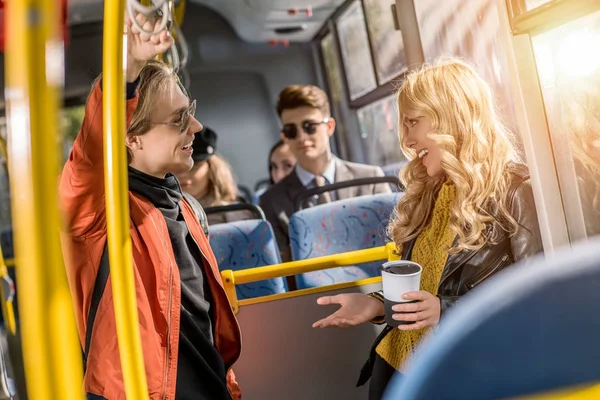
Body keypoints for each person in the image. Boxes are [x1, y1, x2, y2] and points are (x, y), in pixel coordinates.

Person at [312, 58, 544, 400]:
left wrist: (444, 310)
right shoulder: (428, 190)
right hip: (399, 371)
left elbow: (534, 302)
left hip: (464, 373)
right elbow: (425, 293)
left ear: (451, 118)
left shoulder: (515, 191)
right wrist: (376, 306)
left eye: (412, 123)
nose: (406, 140)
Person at [59, 14, 241, 400]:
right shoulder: (99, 215)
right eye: (178, 119)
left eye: (188, 111)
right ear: (131, 138)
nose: (195, 126)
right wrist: (127, 66)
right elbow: (91, 153)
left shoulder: (188, 209)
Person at [260, 84, 392, 262]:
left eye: (309, 126)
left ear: (329, 126)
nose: (301, 137)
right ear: (284, 137)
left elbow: (394, 245)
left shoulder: (371, 180)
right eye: (292, 130)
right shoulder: (272, 201)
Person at [177, 127, 254, 225]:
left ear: (212, 169)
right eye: (176, 167)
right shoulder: (163, 217)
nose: (182, 174)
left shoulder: (237, 215)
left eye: (194, 166)